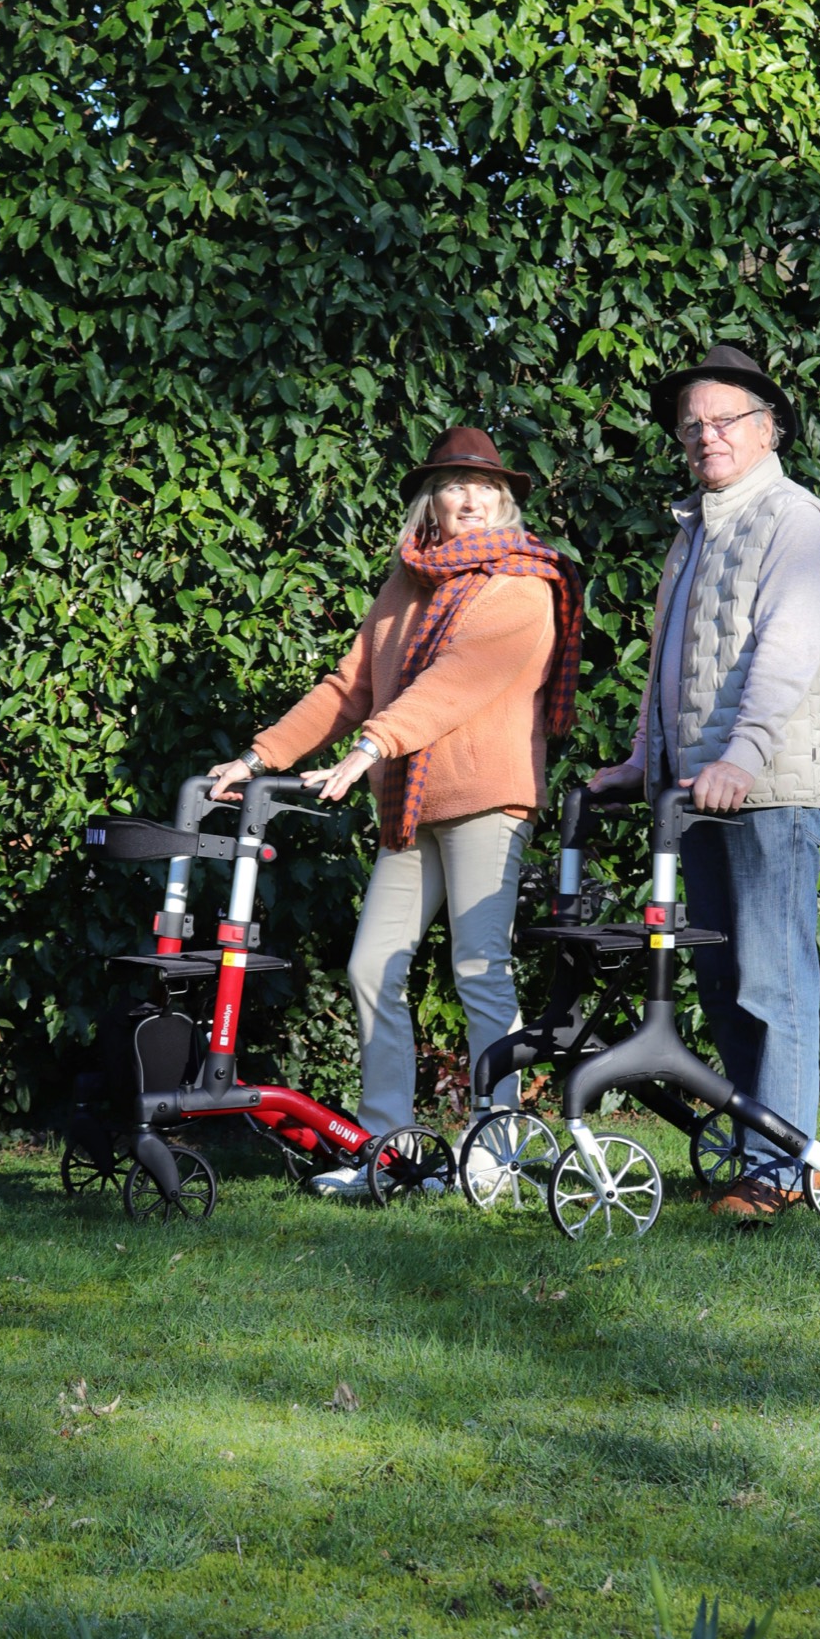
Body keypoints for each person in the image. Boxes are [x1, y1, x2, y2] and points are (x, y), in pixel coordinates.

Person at [209, 427, 583, 1198]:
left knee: (480, 970)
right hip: (411, 804)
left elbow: (454, 682)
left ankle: (497, 1152)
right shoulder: (405, 588)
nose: (471, 498)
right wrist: (257, 758)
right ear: (430, 503)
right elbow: (349, 687)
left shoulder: (524, 585)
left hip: (489, 800)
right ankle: (385, 1150)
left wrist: (372, 748)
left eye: (486, 488)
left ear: (506, 502)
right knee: (371, 965)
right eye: (453, 486)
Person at [590, 345, 820, 1223]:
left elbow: (785, 649)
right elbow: (672, 664)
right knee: (724, 980)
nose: (705, 436)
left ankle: (781, 1168)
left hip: (766, 785)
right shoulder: (695, 527)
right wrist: (642, 760)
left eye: (724, 420)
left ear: (768, 429)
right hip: (697, 790)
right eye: (691, 425)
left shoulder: (790, 516)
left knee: (771, 978)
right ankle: (750, 1150)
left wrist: (742, 754)